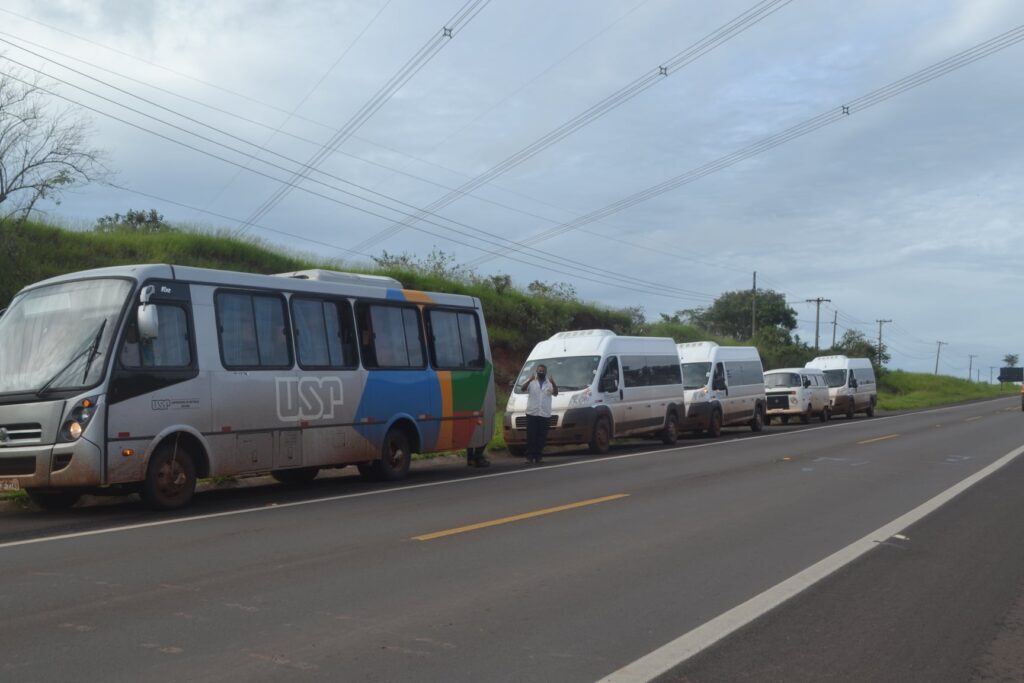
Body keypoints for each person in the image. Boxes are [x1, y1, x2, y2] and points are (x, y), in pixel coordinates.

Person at [520, 364, 558, 464]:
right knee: (531, 436)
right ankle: (529, 457)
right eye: (539, 371)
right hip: (532, 413)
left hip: (544, 414)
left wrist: (553, 383)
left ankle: (538, 457)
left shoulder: (549, 383)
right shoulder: (531, 382)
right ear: (536, 371)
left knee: (541, 437)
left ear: (545, 372)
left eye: (542, 371)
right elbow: (522, 389)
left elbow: (555, 393)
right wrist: (529, 380)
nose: (541, 372)